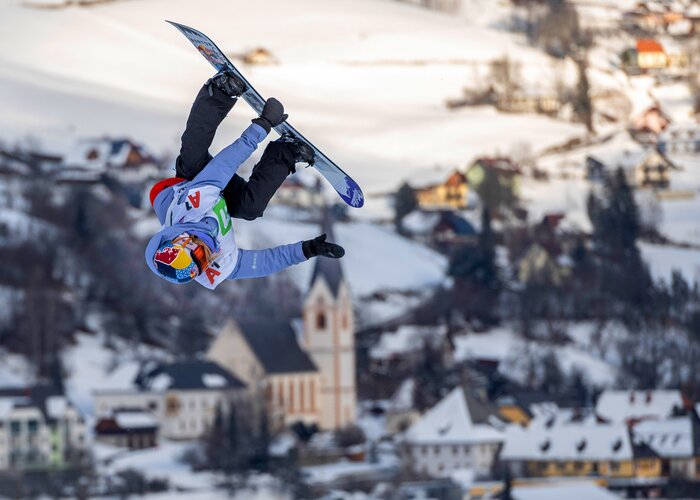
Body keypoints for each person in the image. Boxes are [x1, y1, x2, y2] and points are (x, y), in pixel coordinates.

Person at [145, 71, 344, 289]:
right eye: (203, 264)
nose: (209, 256)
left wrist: (263, 125)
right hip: (217, 199)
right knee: (250, 208)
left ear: (183, 239)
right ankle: (286, 151)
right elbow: (262, 264)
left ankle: (220, 91)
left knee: (192, 159)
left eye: (201, 254)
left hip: (189, 184)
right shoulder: (218, 266)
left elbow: (224, 165)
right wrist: (308, 250)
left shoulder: (192, 206)